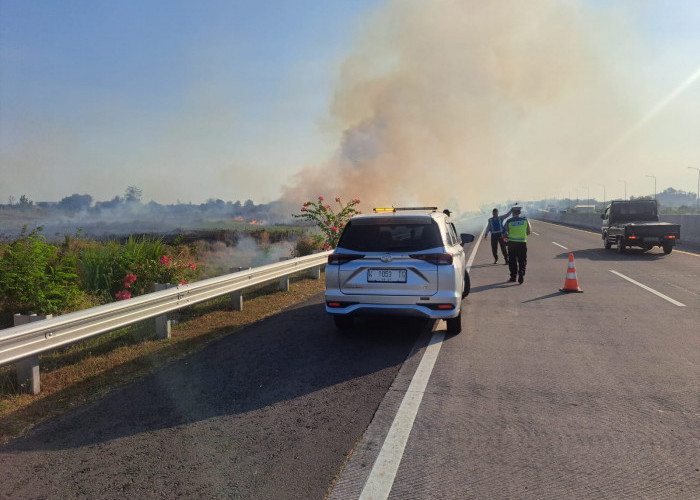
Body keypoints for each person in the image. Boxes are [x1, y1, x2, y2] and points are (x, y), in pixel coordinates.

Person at [505, 206, 532, 284]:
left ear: (512, 213)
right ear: (519, 213)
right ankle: (521, 272)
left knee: (512, 260)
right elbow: (529, 231)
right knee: (522, 260)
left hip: (511, 244)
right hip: (522, 243)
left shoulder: (508, 221)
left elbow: (505, 233)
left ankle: (513, 277)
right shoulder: (525, 220)